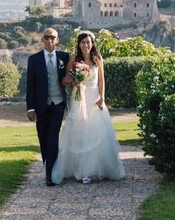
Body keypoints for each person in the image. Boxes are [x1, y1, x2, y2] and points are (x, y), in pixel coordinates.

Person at [51, 31, 125, 184]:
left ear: (92, 43)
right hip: (79, 99)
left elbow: (101, 81)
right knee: (80, 132)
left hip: (95, 98)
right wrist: (74, 81)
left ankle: (101, 169)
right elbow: (65, 80)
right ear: (79, 44)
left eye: (89, 42)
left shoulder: (98, 59)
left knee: (98, 133)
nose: (86, 45)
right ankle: (83, 171)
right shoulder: (74, 59)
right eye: (83, 42)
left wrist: (102, 98)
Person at [26, 27, 70, 186]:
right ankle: (48, 168)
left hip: (58, 104)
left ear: (57, 40)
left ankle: (51, 175)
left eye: (53, 37)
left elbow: (71, 75)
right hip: (40, 106)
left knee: (52, 138)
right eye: (47, 37)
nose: (50, 40)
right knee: (43, 139)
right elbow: (30, 86)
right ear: (42, 40)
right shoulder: (34, 59)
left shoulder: (65, 57)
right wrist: (30, 108)